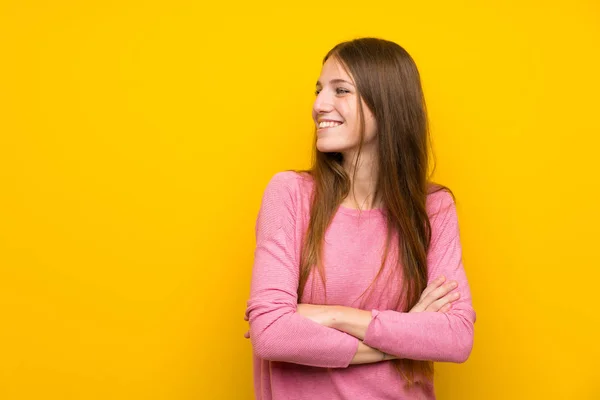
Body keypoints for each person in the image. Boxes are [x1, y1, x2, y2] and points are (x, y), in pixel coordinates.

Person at [243, 37, 476, 400]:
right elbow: (271, 333)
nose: (319, 105)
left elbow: (457, 337)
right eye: (319, 90)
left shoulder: (434, 207)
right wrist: (405, 335)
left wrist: (335, 317)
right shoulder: (289, 193)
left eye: (341, 90)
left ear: (386, 105)